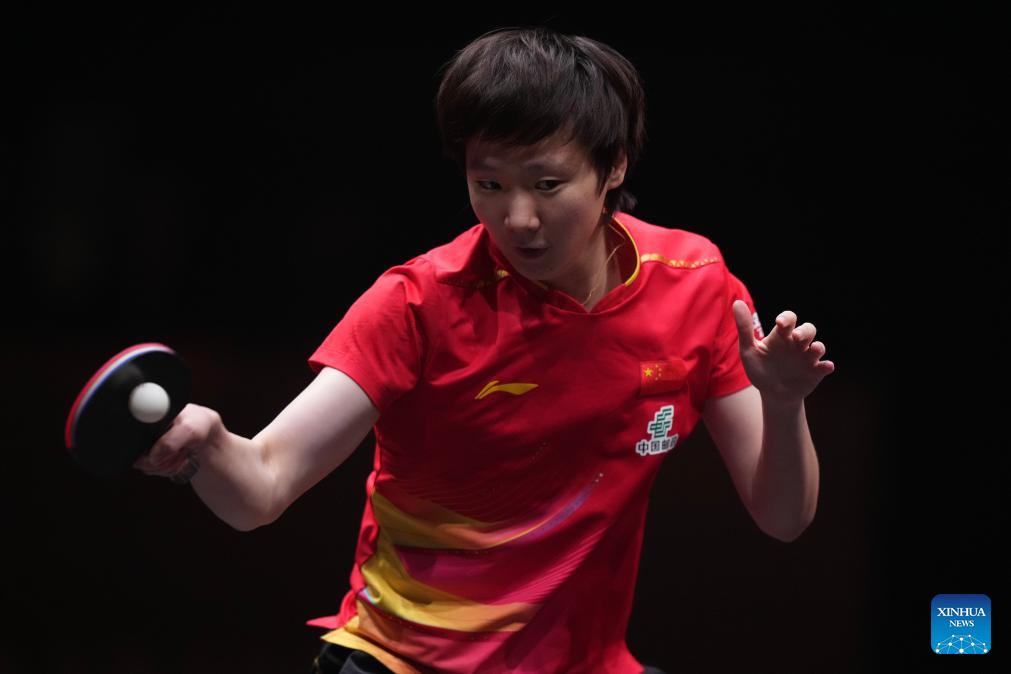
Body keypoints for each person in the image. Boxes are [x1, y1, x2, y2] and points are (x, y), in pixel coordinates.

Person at [134, 26, 834, 674]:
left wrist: (782, 402)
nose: (517, 218)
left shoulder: (694, 283)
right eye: (488, 184)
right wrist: (208, 445)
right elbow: (261, 487)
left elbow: (784, 517)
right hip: (401, 660)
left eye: (547, 184)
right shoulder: (419, 303)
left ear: (614, 166)